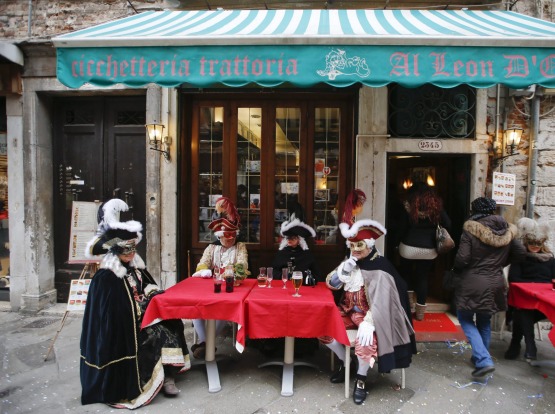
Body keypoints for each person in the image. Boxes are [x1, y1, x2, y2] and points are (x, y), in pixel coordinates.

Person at [80, 199, 190, 409]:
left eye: (133, 250)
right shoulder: (106, 278)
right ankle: (159, 376)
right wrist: (140, 310)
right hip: (125, 328)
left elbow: (148, 286)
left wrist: (153, 296)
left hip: (145, 314)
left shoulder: (135, 268)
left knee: (173, 322)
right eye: (125, 251)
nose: (131, 254)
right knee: (156, 334)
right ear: (115, 251)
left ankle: (168, 373)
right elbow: (112, 313)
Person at [320, 211, 416, 405]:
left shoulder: (381, 266)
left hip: (372, 317)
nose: (355, 249)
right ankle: (347, 364)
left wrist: (370, 321)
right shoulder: (350, 262)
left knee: (365, 342)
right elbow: (331, 283)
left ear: (370, 245)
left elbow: (385, 300)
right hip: (347, 312)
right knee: (323, 329)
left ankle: (361, 380)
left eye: (359, 245)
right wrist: (343, 271)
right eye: (352, 246)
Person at [453, 197, 525, 378]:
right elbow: (520, 253)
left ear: (474, 210)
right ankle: (481, 358)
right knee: (484, 321)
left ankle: (484, 359)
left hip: (473, 280)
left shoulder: (470, 229)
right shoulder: (507, 230)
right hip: (496, 281)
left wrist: (456, 269)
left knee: (465, 317)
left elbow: (462, 258)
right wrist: (500, 263)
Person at [256, 203, 321, 356]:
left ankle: (299, 349)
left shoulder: (307, 255)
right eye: (288, 238)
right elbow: (274, 272)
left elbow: (317, 275)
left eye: (293, 238)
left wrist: (306, 278)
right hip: (282, 292)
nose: (290, 240)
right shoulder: (281, 254)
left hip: (303, 294)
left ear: (299, 239)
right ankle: (277, 347)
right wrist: (287, 276)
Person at [191, 196, 249, 359]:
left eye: (232, 237)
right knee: (196, 310)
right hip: (211, 288)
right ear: (219, 236)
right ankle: (206, 343)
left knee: (224, 310)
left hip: (231, 289)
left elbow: (243, 266)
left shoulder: (240, 247)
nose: (230, 240)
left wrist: (233, 272)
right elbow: (202, 264)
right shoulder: (211, 248)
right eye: (226, 237)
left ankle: (205, 345)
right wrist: (204, 271)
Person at [398, 181, 451, 320]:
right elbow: (448, 223)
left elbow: (401, 227)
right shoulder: (436, 208)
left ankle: (408, 306)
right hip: (429, 249)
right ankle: (420, 312)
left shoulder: (408, 207)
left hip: (408, 247)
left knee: (406, 274)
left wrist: (397, 243)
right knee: (422, 277)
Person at [505, 217, 555, 361]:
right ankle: (530, 345)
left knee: (522, 314)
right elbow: (514, 279)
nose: (534, 247)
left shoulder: (550, 260)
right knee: (523, 310)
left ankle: (517, 344)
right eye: (531, 244)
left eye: (537, 245)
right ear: (527, 243)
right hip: (523, 298)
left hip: (541, 303)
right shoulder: (521, 259)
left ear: (542, 244)